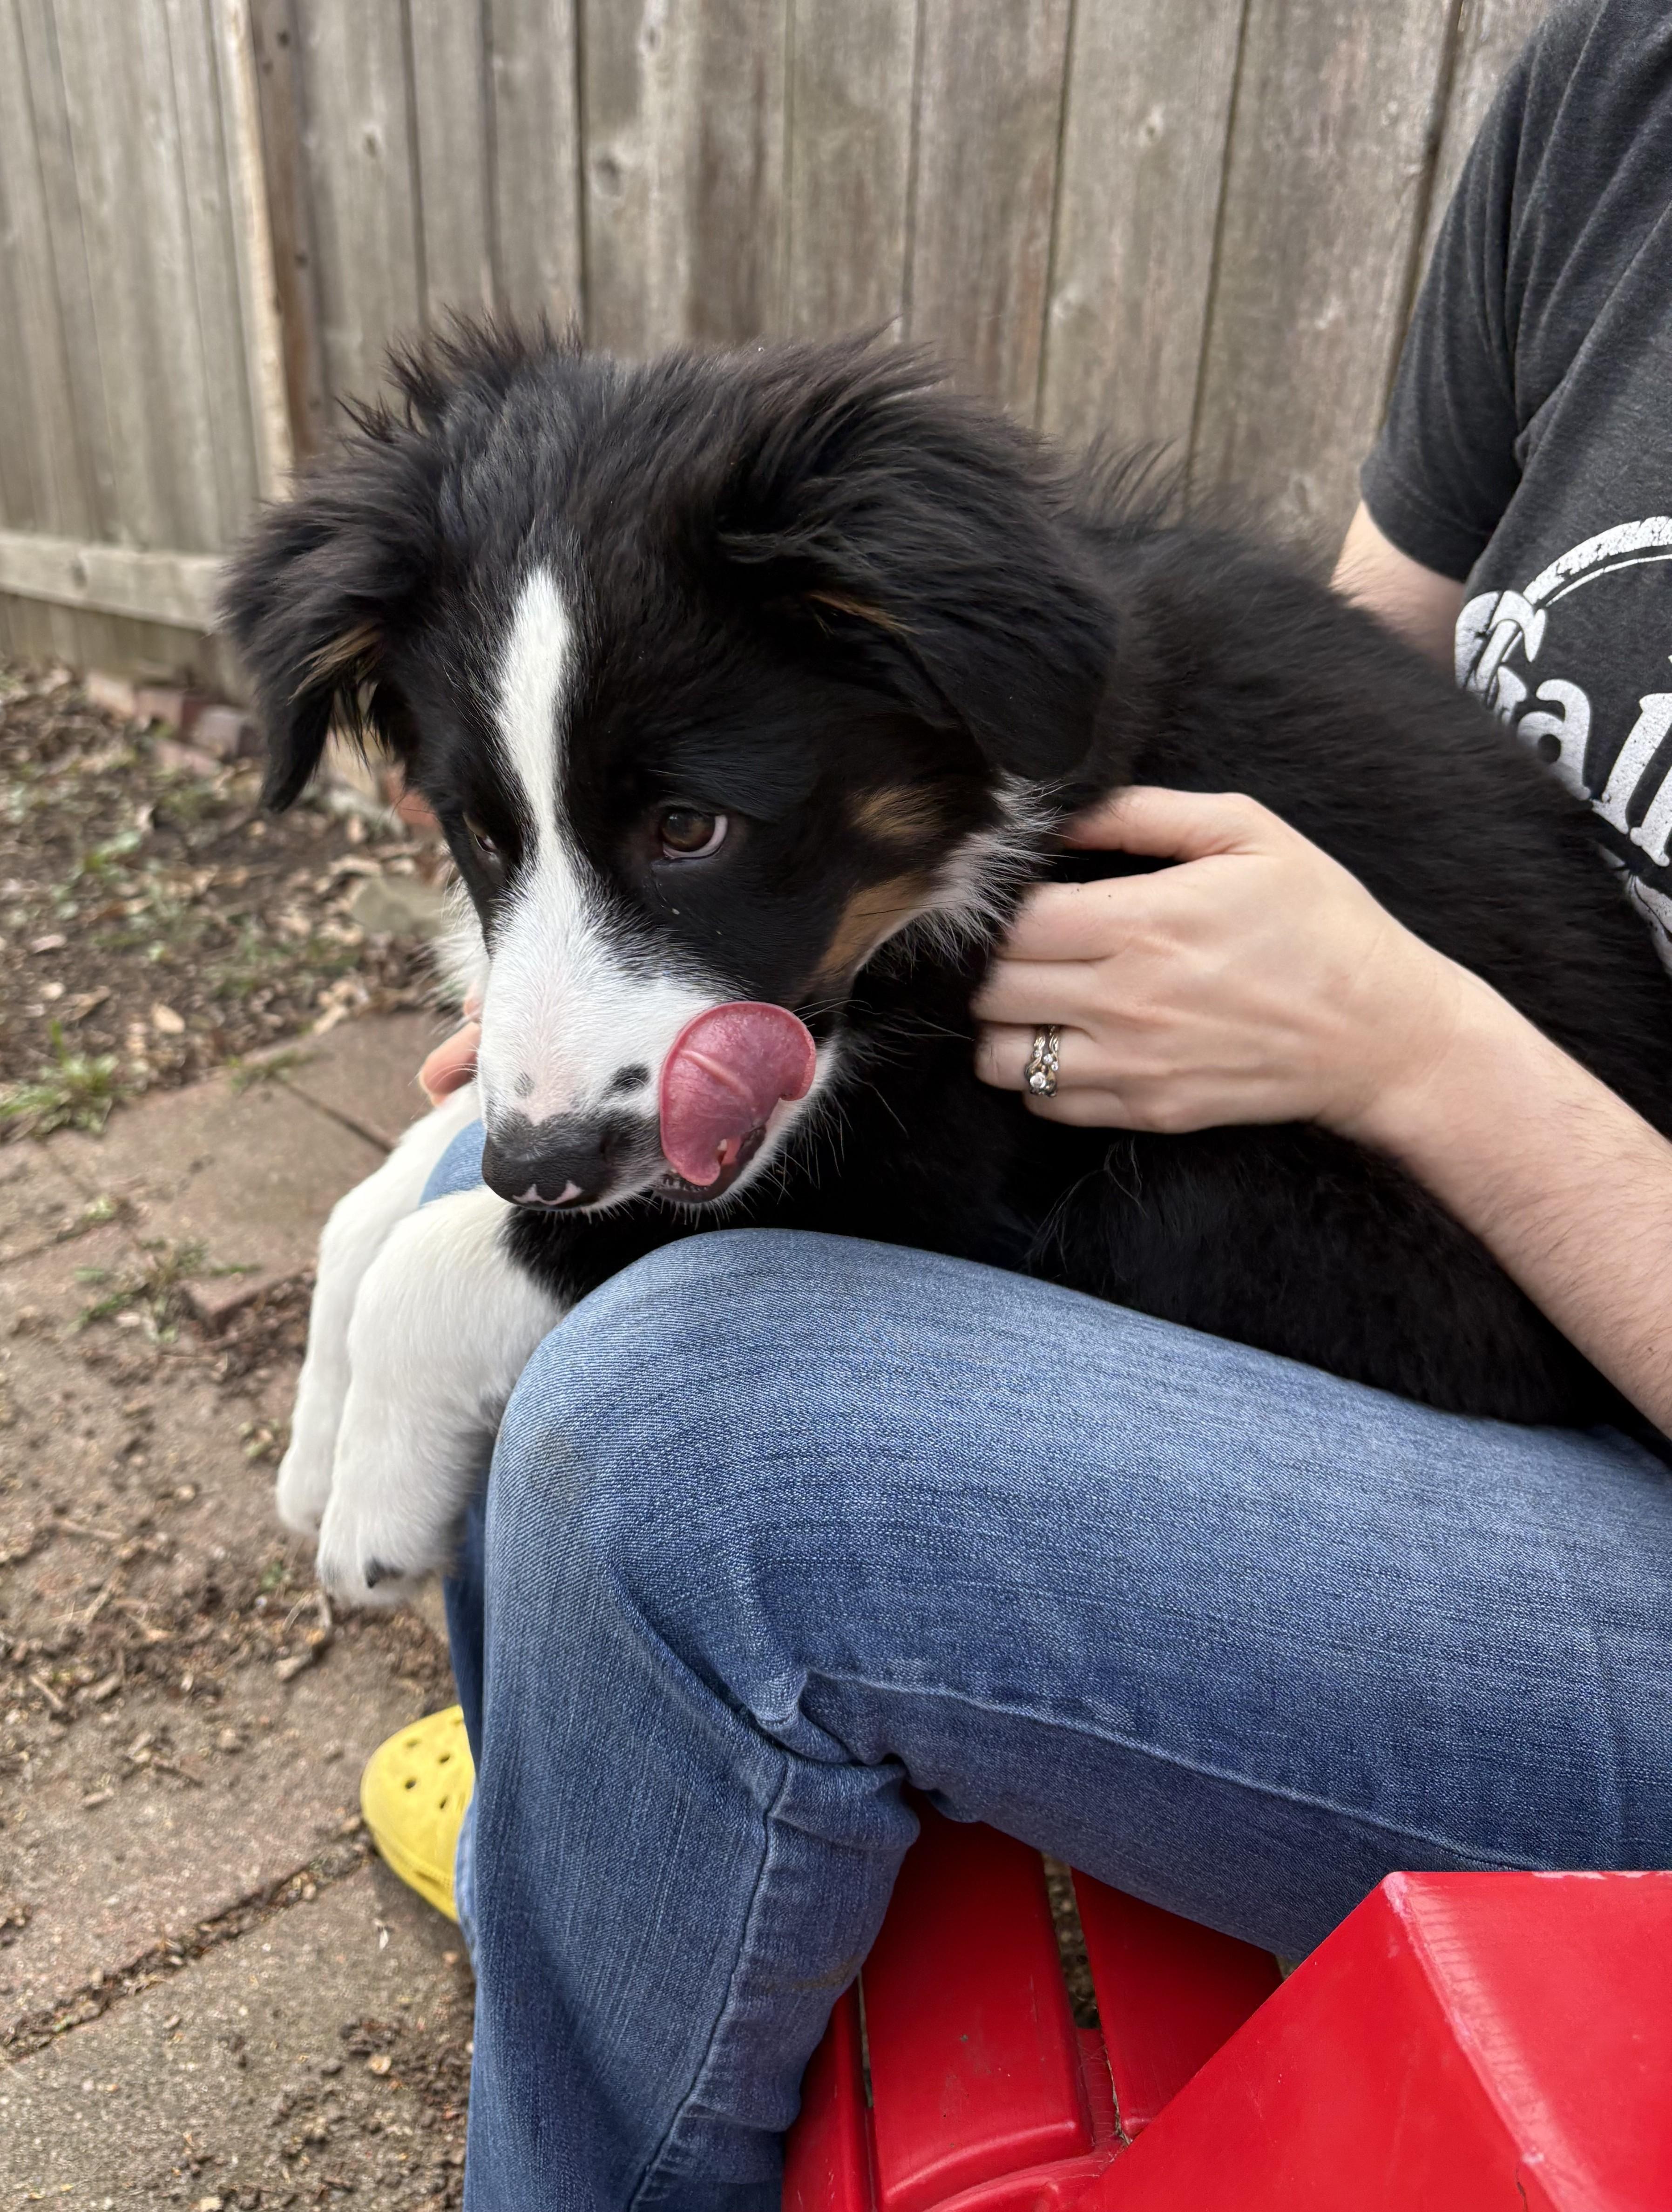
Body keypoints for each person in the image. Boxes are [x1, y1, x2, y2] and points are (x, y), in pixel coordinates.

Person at [352, 0, 1672, 2201]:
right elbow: (1339, 666)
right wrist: (612, 964)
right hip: (1404, 1219)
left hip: (1571, 1386)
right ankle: (577, 1816)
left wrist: (1411, 1049)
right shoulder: (1618, 86)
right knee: (469, 1186)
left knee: (677, 1419)